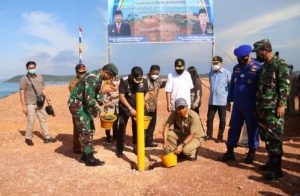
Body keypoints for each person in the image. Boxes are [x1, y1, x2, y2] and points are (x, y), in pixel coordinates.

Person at [253, 39, 290, 181]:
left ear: (265, 50)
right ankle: (270, 162)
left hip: (274, 109)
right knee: (267, 137)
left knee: (275, 137)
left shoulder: (280, 64)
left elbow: (285, 86)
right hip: (264, 109)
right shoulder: (264, 67)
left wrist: (281, 104)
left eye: (258, 51)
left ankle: (277, 169)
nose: (257, 54)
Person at [68, 63, 118, 166]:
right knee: (85, 130)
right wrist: (98, 112)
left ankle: (84, 156)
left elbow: (97, 93)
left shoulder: (98, 77)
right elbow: (89, 99)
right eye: (110, 76)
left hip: (83, 105)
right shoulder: (92, 78)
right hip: (77, 105)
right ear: (106, 72)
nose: (109, 78)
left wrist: (103, 103)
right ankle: (89, 158)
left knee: (90, 127)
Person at [220, 45, 261, 163]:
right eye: (238, 58)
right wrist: (229, 100)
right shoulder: (236, 68)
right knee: (234, 127)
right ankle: (230, 152)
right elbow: (232, 85)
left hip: (251, 105)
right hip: (237, 105)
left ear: (248, 56)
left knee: (252, 129)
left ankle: (251, 153)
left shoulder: (258, 68)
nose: (239, 60)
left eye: (241, 58)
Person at [20, 61, 56, 146]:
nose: (32, 69)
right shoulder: (24, 79)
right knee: (31, 121)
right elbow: (21, 92)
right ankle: (28, 138)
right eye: (30, 68)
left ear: (35, 67)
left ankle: (47, 137)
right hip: (30, 103)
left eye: (33, 67)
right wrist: (23, 106)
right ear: (27, 68)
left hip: (41, 102)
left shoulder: (40, 77)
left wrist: (48, 99)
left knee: (43, 119)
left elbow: (43, 89)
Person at [116, 66, 149, 158]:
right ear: (131, 76)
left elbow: (147, 93)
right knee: (122, 127)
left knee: (138, 127)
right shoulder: (124, 80)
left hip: (138, 108)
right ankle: (119, 149)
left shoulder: (144, 80)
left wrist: (144, 101)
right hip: (126, 107)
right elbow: (121, 96)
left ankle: (136, 147)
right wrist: (130, 109)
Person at [205, 56, 231, 143]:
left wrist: (229, 101)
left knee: (222, 120)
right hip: (212, 101)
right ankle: (209, 135)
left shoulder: (227, 73)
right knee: (209, 119)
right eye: (213, 63)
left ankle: (220, 137)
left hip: (222, 101)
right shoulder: (211, 73)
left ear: (221, 63)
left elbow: (230, 87)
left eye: (216, 63)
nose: (214, 65)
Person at [144, 65, 165, 147]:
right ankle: (141, 142)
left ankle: (149, 141)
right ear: (150, 72)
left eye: (157, 74)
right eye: (154, 73)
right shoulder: (143, 79)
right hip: (144, 106)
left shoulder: (158, 80)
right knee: (144, 125)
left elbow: (162, 85)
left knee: (152, 125)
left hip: (153, 106)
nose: (155, 75)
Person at [68, 63, 87, 154]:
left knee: (87, 127)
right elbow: (74, 93)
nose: (83, 74)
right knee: (77, 127)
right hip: (77, 107)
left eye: (84, 72)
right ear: (76, 72)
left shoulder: (88, 80)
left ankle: (86, 146)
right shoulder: (74, 81)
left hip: (87, 106)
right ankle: (77, 147)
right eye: (81, 72)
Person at [101, 76, 120, 144]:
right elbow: (103, 95)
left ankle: (115, 138)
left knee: (116, 123)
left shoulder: (119, 85)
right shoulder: (106, 85)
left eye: (116, 79)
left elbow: (121, 94)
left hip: (117, 106)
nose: (115, 80)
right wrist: (106, 103)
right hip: (109, 106)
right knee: (108, 123)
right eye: (113, 79)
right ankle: (108, 138)